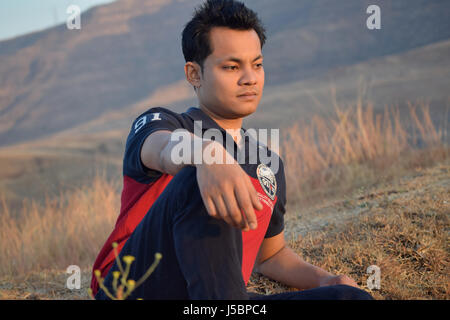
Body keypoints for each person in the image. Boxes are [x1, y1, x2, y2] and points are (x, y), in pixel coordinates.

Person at [91, 0, 373, 300]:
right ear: (194, 74)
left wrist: (326, 280)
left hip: (220, 298)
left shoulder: (268, 164)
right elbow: (163, 149)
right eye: (232, 66)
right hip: (134, 287)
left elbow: (269, 254)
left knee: (349, 298)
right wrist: (210, 156)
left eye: (257, 64)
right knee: (197, 180)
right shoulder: (165, 124)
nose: (250, 78)